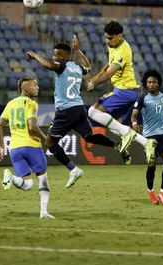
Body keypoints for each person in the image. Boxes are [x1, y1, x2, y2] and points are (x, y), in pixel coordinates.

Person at [26, 35, 127, 188]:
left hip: (65, 110)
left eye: (55, 55)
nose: (53, 57)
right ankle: (116, 145)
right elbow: (88, 68)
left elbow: (50, 66)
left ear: (62, 56)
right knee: (90, 137)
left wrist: (35, 56)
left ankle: (73, 170)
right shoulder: (76, 67)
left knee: (50, 142)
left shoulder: (63, 66)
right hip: (79, 108)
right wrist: (78, 51)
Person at [86, 20, 157, 164]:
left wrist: (95, 82)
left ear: (120, 36)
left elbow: (109, 74)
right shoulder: (113, 46)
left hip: (124, 91)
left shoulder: (123, 51)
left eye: (110, 38)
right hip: (127, 91)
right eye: (106, 37)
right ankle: (147, 144)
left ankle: (127, 134)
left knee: (92, 112)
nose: (107, 41)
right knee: (115, 126)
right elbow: (107, 67)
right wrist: (93, 78)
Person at [0, 77, 54, 220]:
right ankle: (44, 212)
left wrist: (2, 147)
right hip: (31, 146)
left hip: (15, 149)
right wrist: (46, 139)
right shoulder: (31, 103)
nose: (38, 87)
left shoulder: (10, 104)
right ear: (25, 89)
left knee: (27, 185)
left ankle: (11, 178)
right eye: (34, 85)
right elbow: (32, 126)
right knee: (43, 179)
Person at [131, 70, 163, 206]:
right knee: (152, 167)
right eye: (149, 82)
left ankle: (162, 192)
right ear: (146, 84)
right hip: (149, 137)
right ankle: (151, 191)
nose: (152, 84)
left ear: (158, 83)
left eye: (154, 82)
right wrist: (135, 123)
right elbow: (134, 114)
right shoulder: (142, 98)